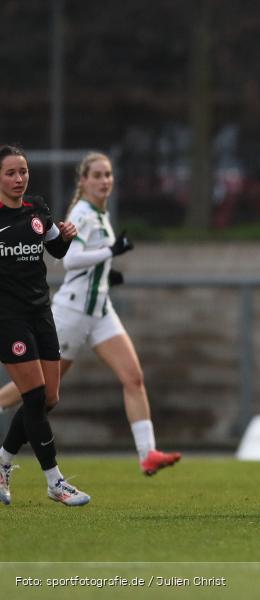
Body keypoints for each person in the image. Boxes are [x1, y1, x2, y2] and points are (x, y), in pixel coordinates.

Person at [0, 152, 181, 476]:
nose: (105, 181)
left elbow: (88, 262)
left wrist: (106, 275)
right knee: (39, 396)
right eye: (97, 175)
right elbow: (70, 260)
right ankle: (7, 457)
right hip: (74, 310)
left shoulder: (99, 213)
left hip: (99, 308)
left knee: (133, 377)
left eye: (108, 175)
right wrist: (111, 252)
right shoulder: (82, 212)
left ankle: (147, 453)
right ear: (82, 181)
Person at [0, 145, 90, 506]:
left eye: (23, 171)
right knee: (34, 395)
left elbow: (57, 250)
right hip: (8, 318)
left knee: (49, 398)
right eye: (10, 173)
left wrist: (65, 235)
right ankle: (56, 481)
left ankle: (3, 461)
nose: (19, 179)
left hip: (41, 313)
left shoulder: (37, 209)